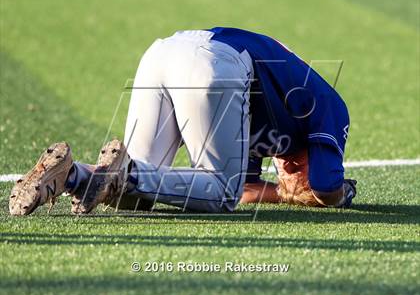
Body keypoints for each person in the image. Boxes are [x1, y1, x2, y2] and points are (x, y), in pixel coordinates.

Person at [9, 27, 357, 216]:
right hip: (215, 61)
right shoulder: (329, 105)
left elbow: (249, 190)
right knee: (222, 194)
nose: (291, 170)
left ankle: (68, 175)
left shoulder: (275, 137)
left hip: (166, 54)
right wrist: (324, 195)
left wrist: (283, 194)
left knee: (132, 199)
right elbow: (327, 187)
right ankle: (125, 172)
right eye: (299, 169)